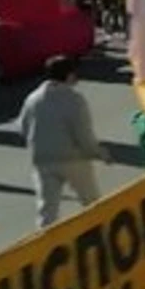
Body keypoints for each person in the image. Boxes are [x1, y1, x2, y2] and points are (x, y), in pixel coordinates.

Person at [17, 55, 106, 228]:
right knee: (92, 203)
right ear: (70, 75)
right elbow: (83, 134)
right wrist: (98, 152)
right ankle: (100, 233)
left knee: (47, 212)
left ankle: (45, 248)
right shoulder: (75, 99)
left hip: (43, 160)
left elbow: (23, 127)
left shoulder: (32, 99)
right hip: (73, 159)